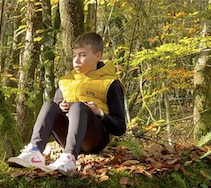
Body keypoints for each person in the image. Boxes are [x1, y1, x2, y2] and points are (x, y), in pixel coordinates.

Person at [8, 32, 126, 174]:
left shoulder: (110, 84)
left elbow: (120, 128)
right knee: (49, 104)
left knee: (78, 106)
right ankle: (35, 152)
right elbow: (53, 114)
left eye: (82, 55)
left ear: (98, 56)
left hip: (94, 139)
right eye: (74, 55)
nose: (76, 60)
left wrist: (99, 113)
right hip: (67, 136)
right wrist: (62, 109)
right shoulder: (66, 82)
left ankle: (69, 158)